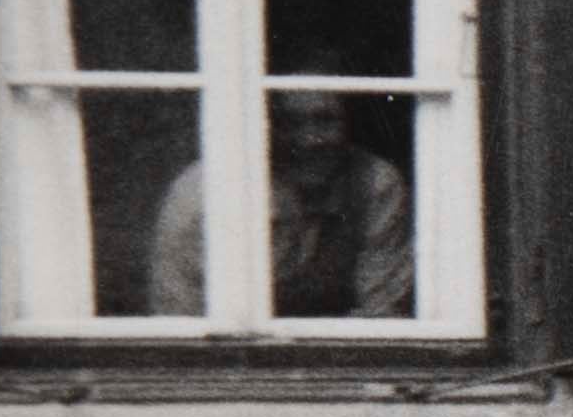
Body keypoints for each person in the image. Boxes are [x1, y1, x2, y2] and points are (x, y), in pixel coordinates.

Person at [149, 89, 412, 320]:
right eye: (288, 122)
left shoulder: (373, 185)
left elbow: (381, 319)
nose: (309, 139)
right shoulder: (204, 195)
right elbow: (182, 324)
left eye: (325, 120)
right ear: (261, 123)